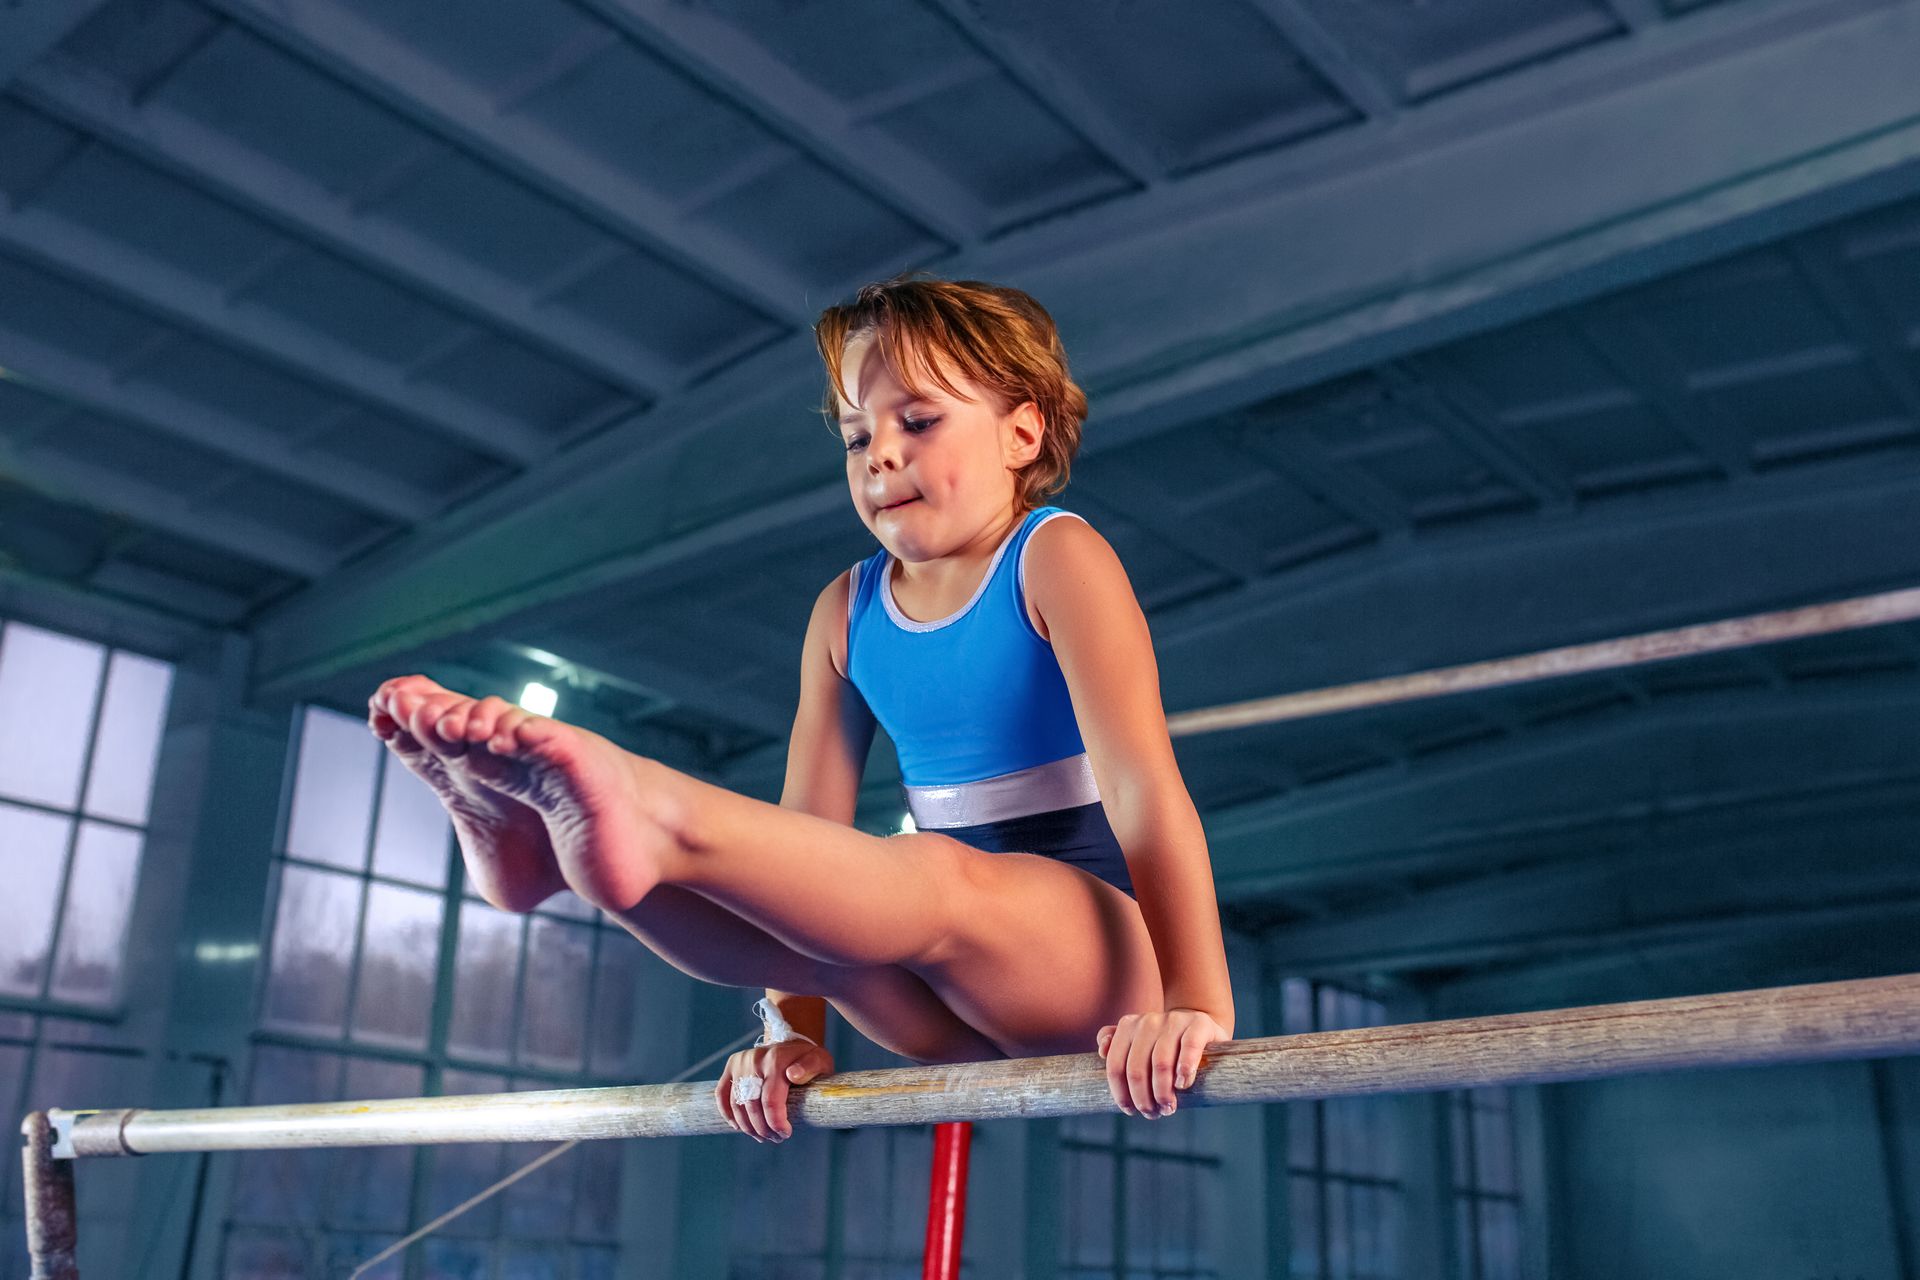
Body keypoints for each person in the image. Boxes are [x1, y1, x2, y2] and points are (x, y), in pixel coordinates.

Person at [367, 274, 1234, 1145]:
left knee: (930, 873)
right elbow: (805, 849)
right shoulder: (845, 612)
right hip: (940, 1005)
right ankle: (563, 864)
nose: (880, 455)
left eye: (919, 422)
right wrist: (790, 1034)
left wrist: (1194, 1002)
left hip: (1101, 971)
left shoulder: (1055, 557)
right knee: (815, 937)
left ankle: (652, 808)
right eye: (858, 437)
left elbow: (1145, 795)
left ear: (1022, 429)